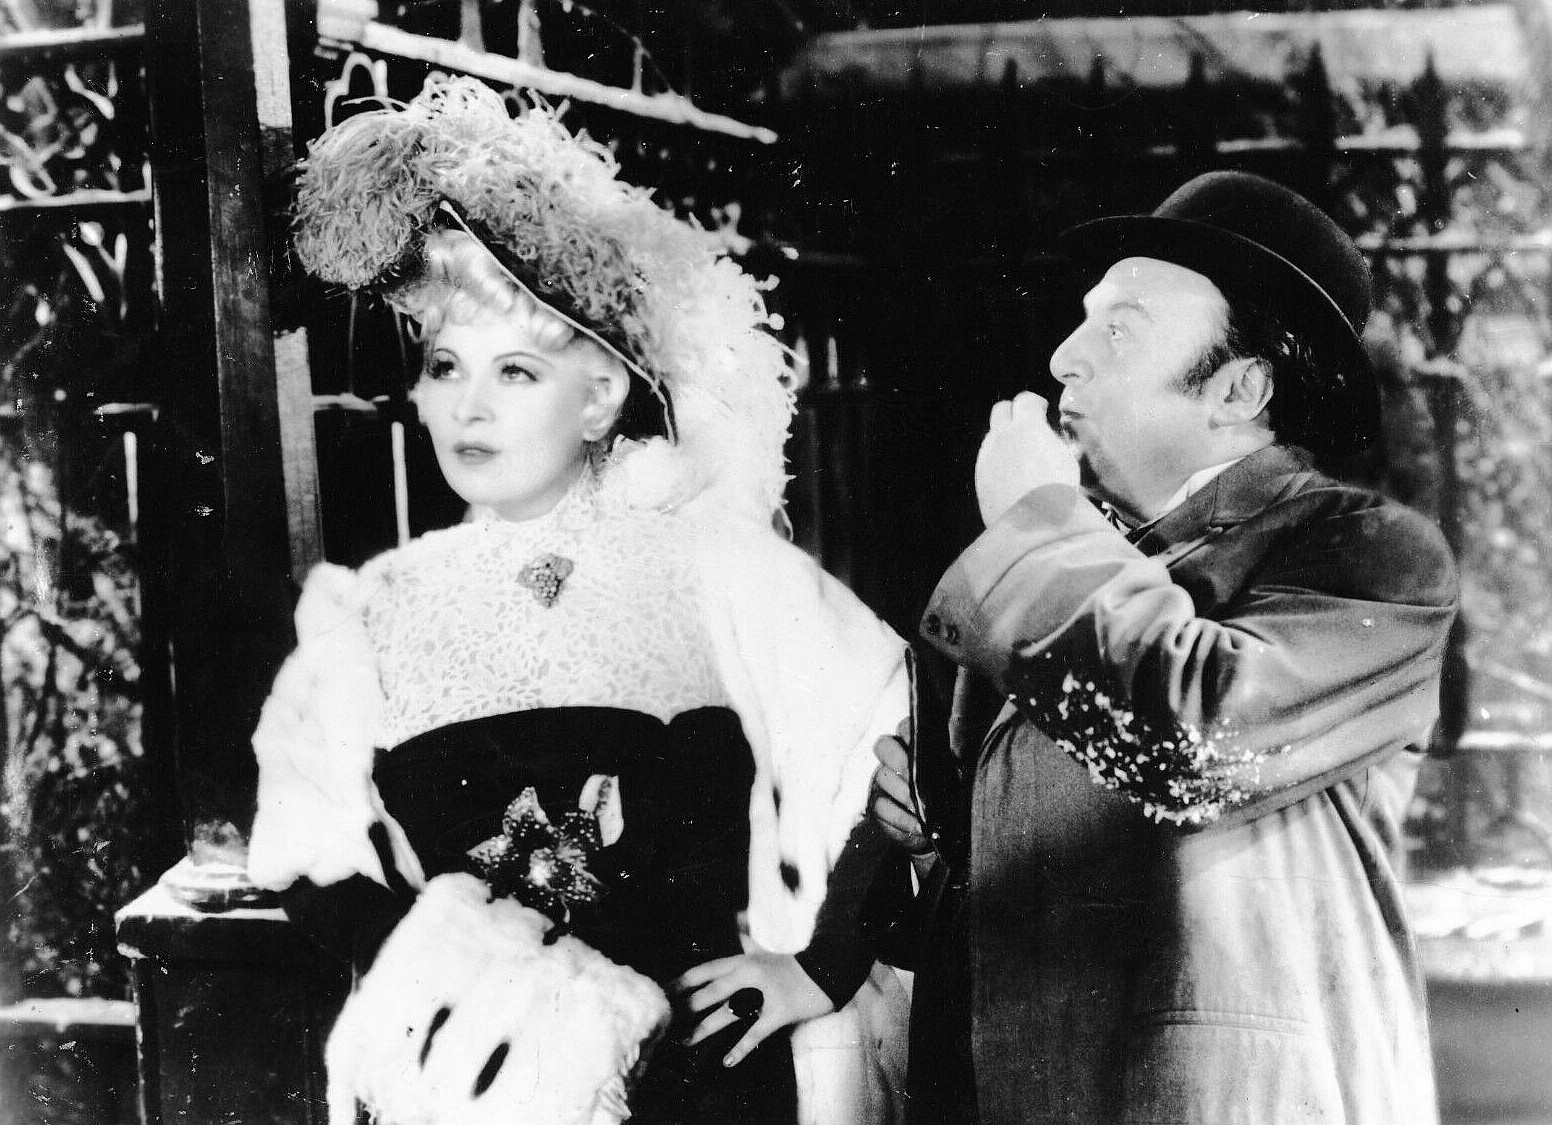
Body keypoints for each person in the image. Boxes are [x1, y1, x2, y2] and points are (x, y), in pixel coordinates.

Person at [244, 77, 908, 1125]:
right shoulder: (382, 607)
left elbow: (893, 740)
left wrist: (819, 966)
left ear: (600, 395)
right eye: (446, 366)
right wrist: (453, 975)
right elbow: (301, 838)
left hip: (703, 1085)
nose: (469, 406)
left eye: (515, 372)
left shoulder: (714, 566)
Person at [869, 171, 1459, 1125]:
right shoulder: (1078, 557)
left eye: (1119, 331)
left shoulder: (1366, 553)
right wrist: (937, 835)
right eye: (1082, 321)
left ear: (1239, 389)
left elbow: (1191, 742)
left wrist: (1037, 523)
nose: (1063, 357)